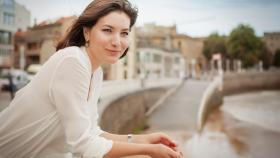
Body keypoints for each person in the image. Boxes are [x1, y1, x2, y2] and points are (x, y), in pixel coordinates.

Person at [0, 0, 183, 158]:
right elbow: (83, 144)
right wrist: (148, 150)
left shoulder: (95, 71)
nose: (117, 41)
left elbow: (91, 132)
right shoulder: (73, 61)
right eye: (107, 30)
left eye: (124, 33)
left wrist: (142, 139)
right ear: (87, 32)